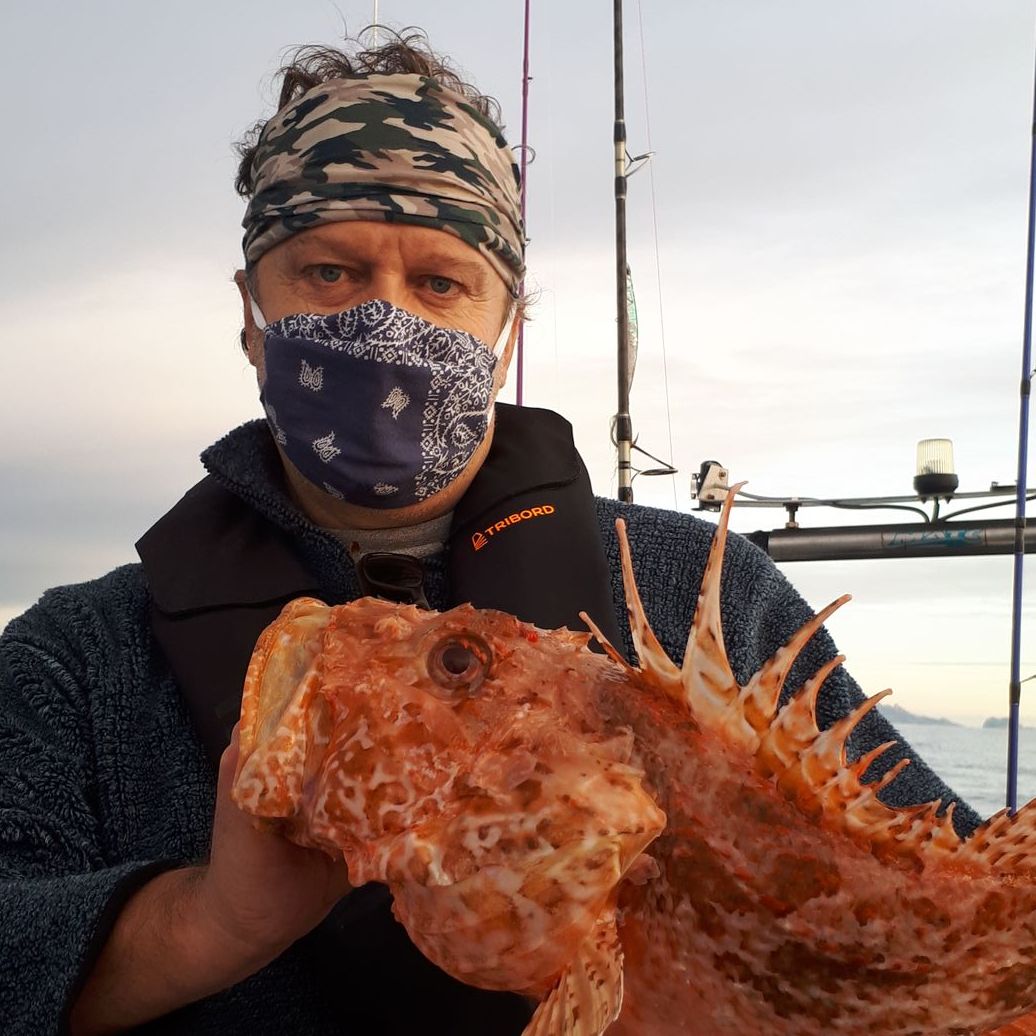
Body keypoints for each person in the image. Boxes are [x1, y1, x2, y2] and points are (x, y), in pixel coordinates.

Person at [0, 30, 981, 1036]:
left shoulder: (705, 594)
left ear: (504, 325)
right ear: (252, 312)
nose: (383, 317)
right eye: (328, 271)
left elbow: (964, 901)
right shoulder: (72, 663)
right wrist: (206, 921)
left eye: (439, 282)